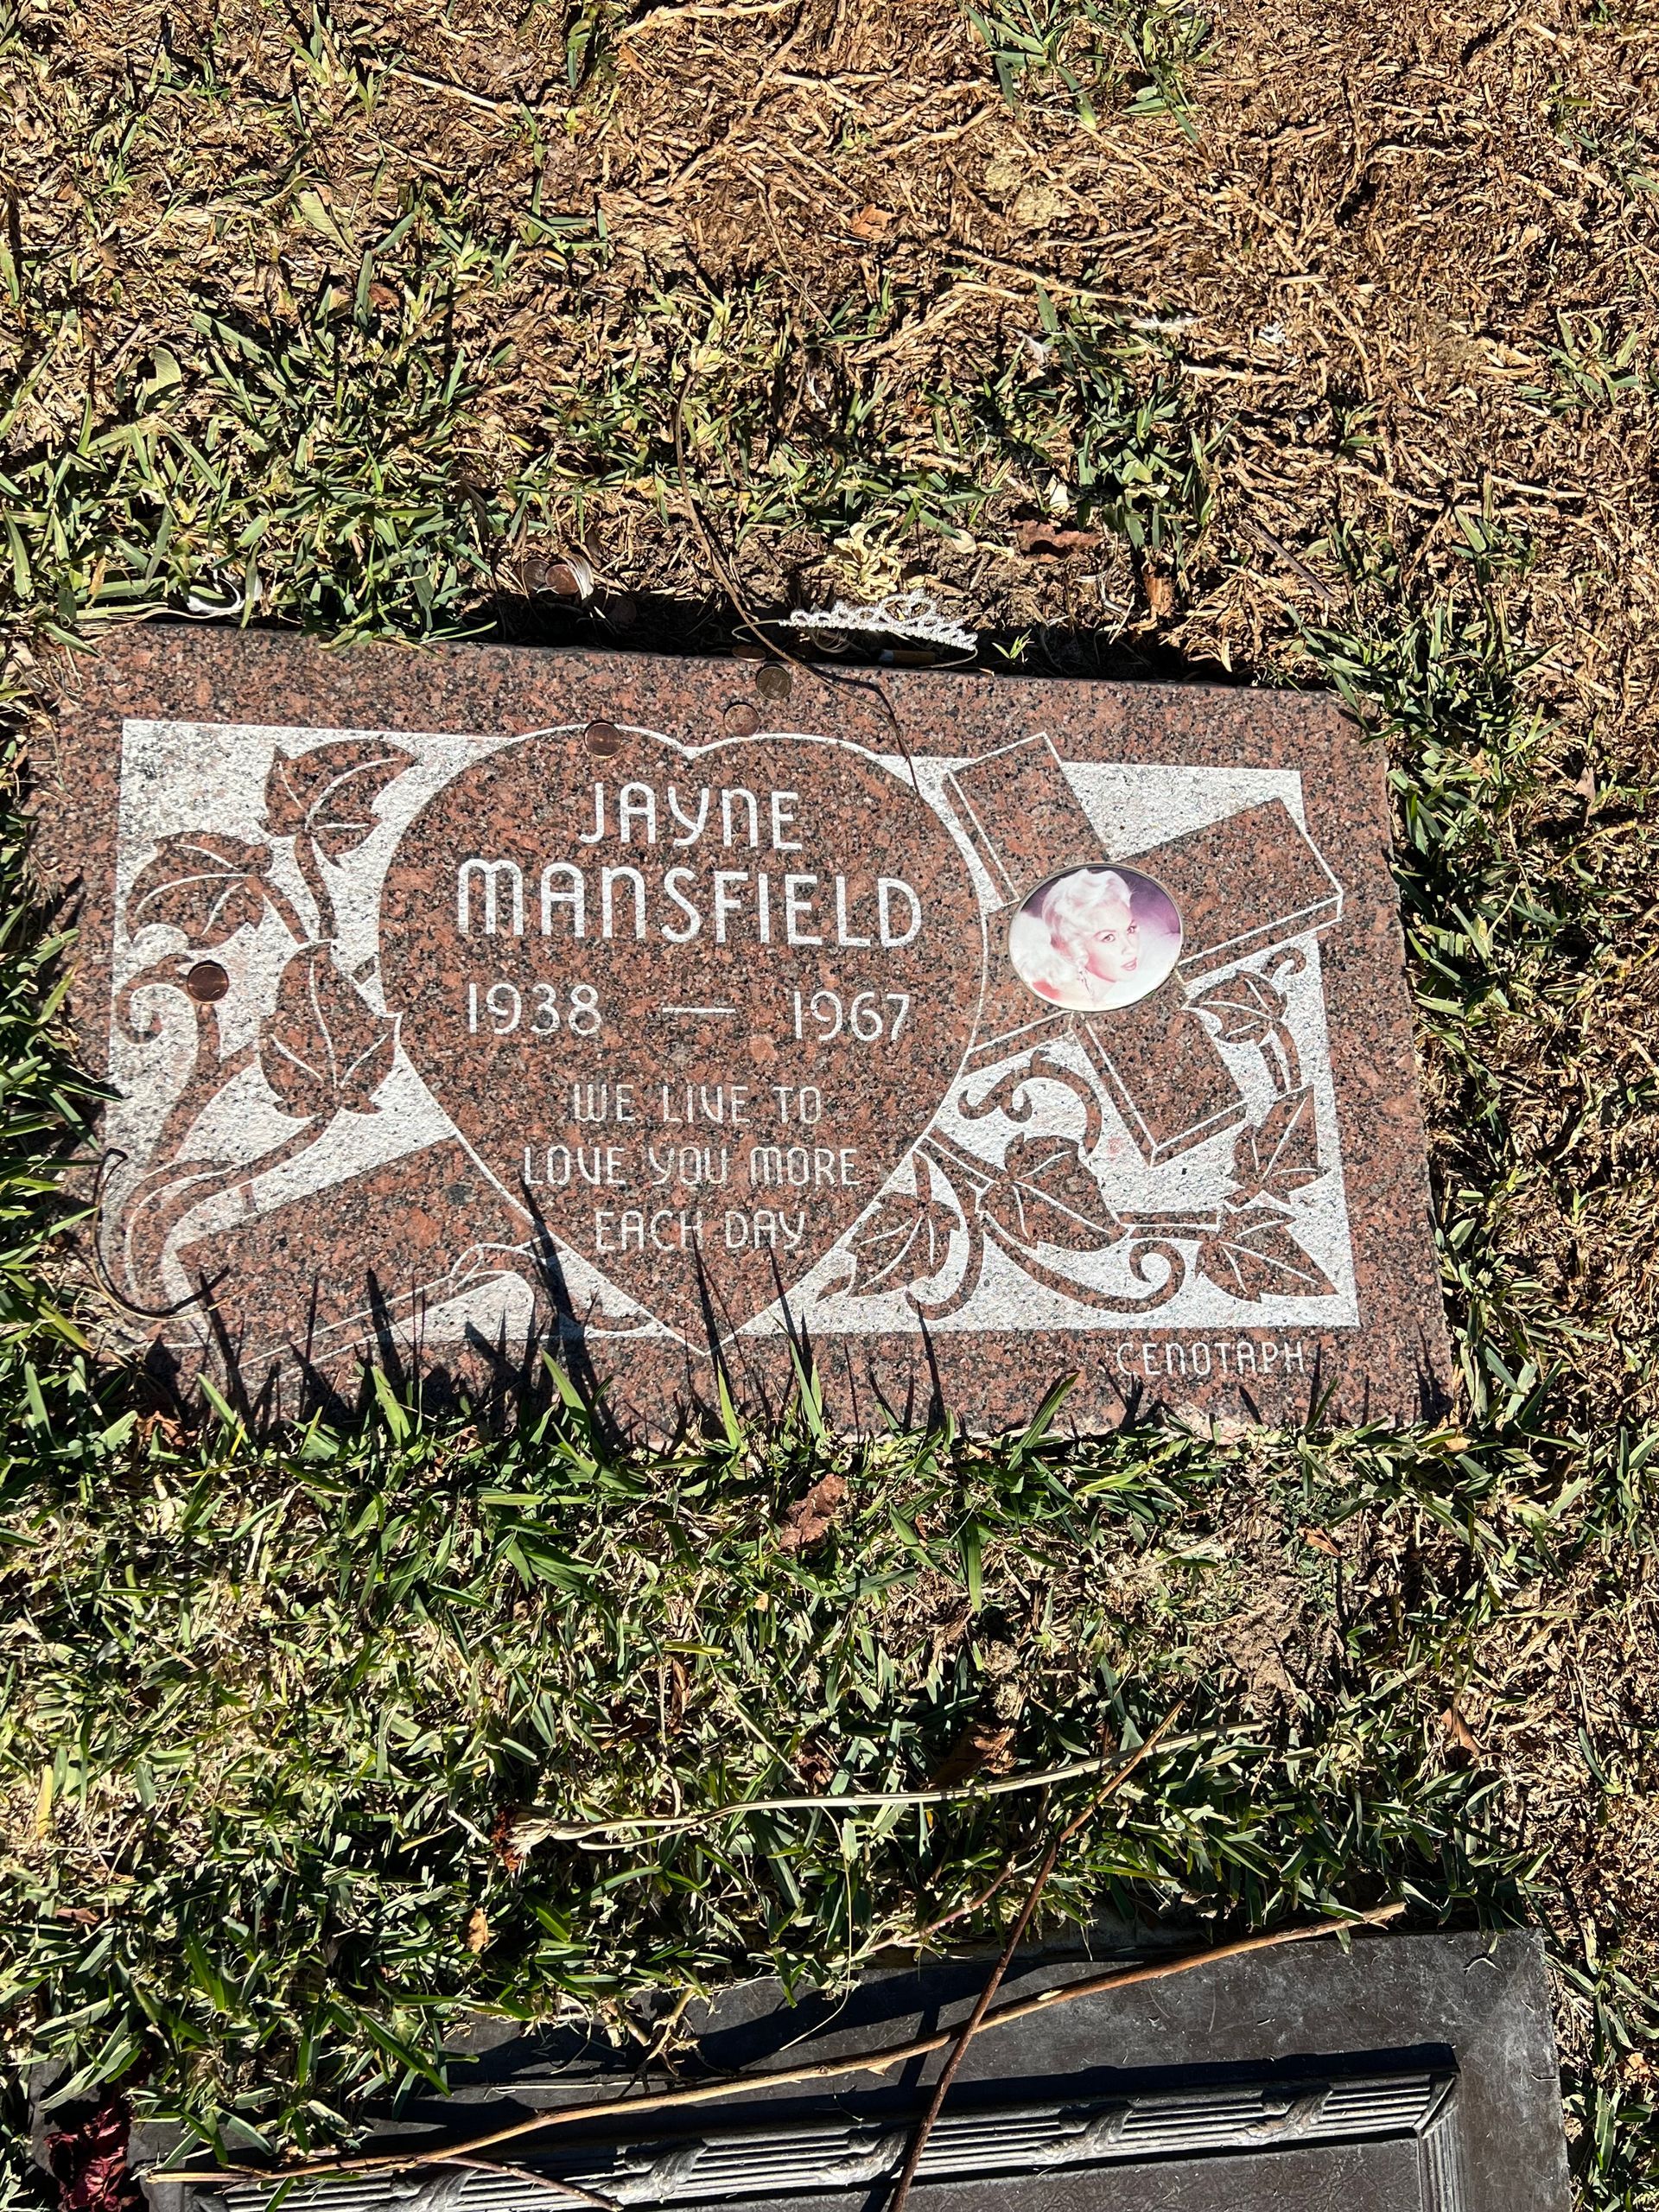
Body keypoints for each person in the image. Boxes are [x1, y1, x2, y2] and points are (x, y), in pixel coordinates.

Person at [1010, 866, 1147, 1009]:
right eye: (1108, 938)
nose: (1130, 948)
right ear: (1071, 946)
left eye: (1130, 929)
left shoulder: (1097, 998)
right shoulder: (1065, 997)